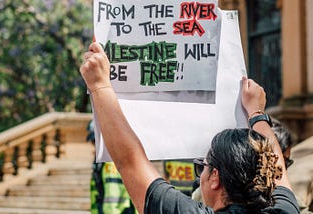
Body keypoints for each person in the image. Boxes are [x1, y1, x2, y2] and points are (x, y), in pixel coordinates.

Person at [79, 42, 300, 213]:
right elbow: (275, 166)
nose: (200, 175)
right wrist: (257, 113)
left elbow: (129, 160)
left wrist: (99, 86)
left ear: (215, 178)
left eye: (202, 166)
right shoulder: (284, 210)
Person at [86, 120, 136, 214]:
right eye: (93, 142)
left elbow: (112, 197)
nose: (94, 145)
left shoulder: (111, 162)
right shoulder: (100, 164)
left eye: (95, 141)